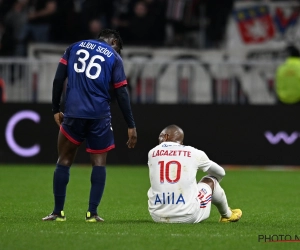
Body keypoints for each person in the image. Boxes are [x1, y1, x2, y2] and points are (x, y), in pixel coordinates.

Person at [42, 29, 137, 222]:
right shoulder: (114, 57)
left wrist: (55, 108)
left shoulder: (74, 47)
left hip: (73, 112)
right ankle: (92, 214)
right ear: (112, 41)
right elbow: (121, 93)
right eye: (117, 47)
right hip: (99, 115)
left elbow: (59, 79)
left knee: (64, 160)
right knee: (99, 163)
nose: (117, 51)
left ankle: (57, 212)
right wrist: (131, 124)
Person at [147, 125, 241, 223]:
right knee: (211, 180)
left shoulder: (152, 152)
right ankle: (227, 215)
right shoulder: (194, 152)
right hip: (187, 215)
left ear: (165, 137)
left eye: (160, 137)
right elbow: (221, 172)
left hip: (157, 216)